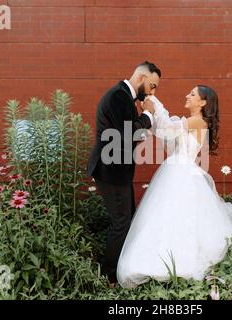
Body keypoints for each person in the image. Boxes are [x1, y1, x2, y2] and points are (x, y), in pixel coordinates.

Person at [117, 85, 232, 289]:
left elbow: (166, 129)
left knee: (174, 216)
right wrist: (152, 108)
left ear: (203, 102)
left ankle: (171, 259)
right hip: (176, 169)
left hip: (180, 172)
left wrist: (154, 105)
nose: (187, 95)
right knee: (171, 216)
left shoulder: (197, 120)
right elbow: (166, 131)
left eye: (192, 94)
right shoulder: (189, 121)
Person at [87, 61, 161, 285]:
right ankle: (110, 276)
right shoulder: (119, 96)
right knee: (121, 223)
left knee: (126, 219)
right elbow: (129, 132)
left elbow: (126, 134)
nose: (152, 92)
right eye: (152, 85)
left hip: (117, 170)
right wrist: (148, 115)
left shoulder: (124, 97)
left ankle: (118, 268)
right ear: (141, 78)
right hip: (111, 171)